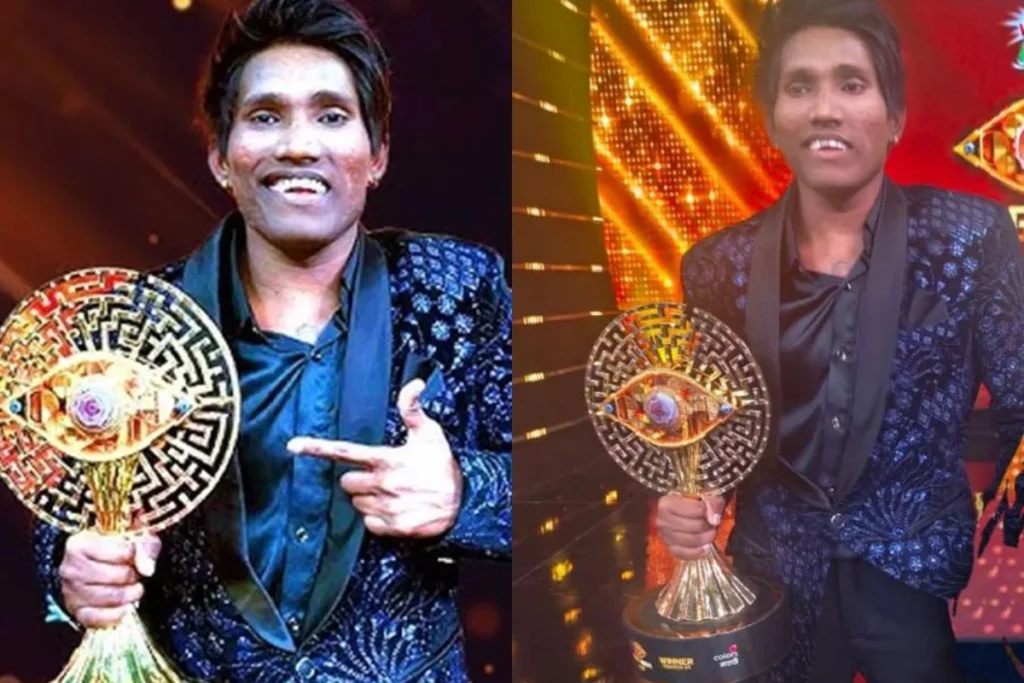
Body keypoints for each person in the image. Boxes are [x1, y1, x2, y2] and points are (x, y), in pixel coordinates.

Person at [31, 0, 510, 680]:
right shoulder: (134, 325)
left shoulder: (458, 290)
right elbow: (62, 520)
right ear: (220, 158)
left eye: (332, 115)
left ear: (377, 156)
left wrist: (463, 492)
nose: (298, 145)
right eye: (265, 116)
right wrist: (75, 571)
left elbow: (570, 487)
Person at [656, 0, 1024, 681]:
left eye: (851, 84)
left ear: (894, 116)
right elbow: (714, 430)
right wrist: (693, 501)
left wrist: (998, 540)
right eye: (800, 86)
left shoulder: (970, 236)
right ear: (773, 118)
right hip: (775, 568)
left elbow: (1019, 399)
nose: (825, 109)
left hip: (916, 570)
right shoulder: (716, 266)